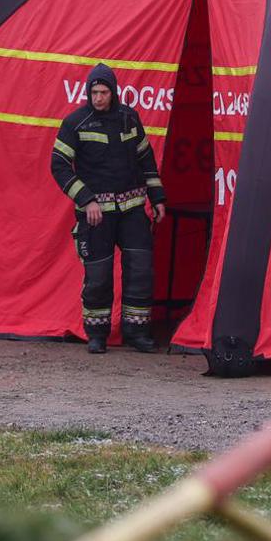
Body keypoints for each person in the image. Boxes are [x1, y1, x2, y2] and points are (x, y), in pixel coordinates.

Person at [50, 63, 167, 354]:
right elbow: (58, 165)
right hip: (96, 214)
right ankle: (97, 335)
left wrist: (158, 198)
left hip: (133, 210)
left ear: (113, 92)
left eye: (103, 92)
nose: (99, 98)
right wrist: (86, 199)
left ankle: (137, 333)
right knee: (98, 276)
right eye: (94, 92)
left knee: (140, 271)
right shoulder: (75, 122)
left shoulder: (130, 118)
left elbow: (146, 160)